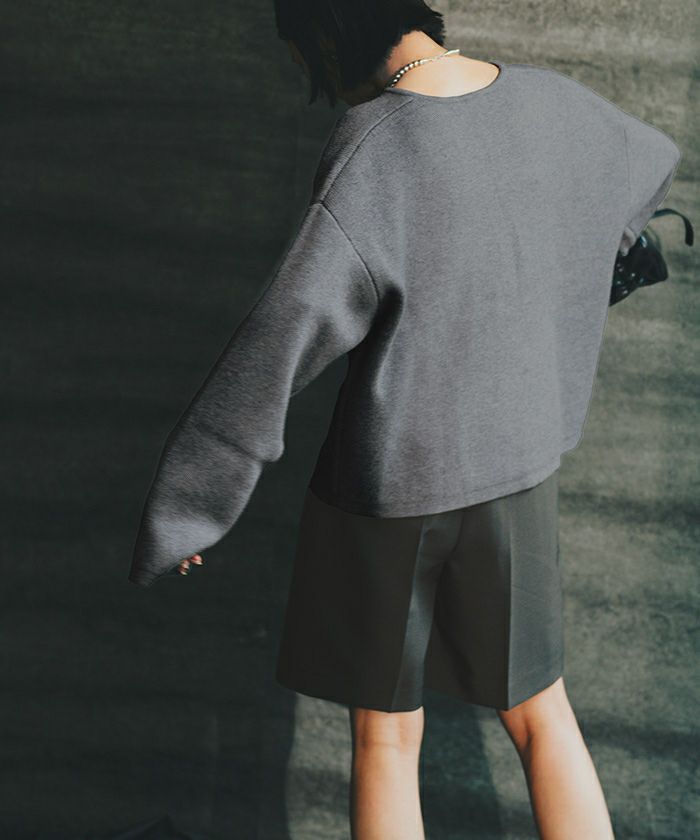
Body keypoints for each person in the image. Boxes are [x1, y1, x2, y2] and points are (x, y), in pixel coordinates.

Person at [128, 1, 682, 837]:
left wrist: (190, 506)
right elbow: (648, 162)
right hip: (518, 470)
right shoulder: (553, 104)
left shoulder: (374, 146)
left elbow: (284, 333)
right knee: (543, 715)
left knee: (386, 740)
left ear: (326, 36)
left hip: (391, 490)